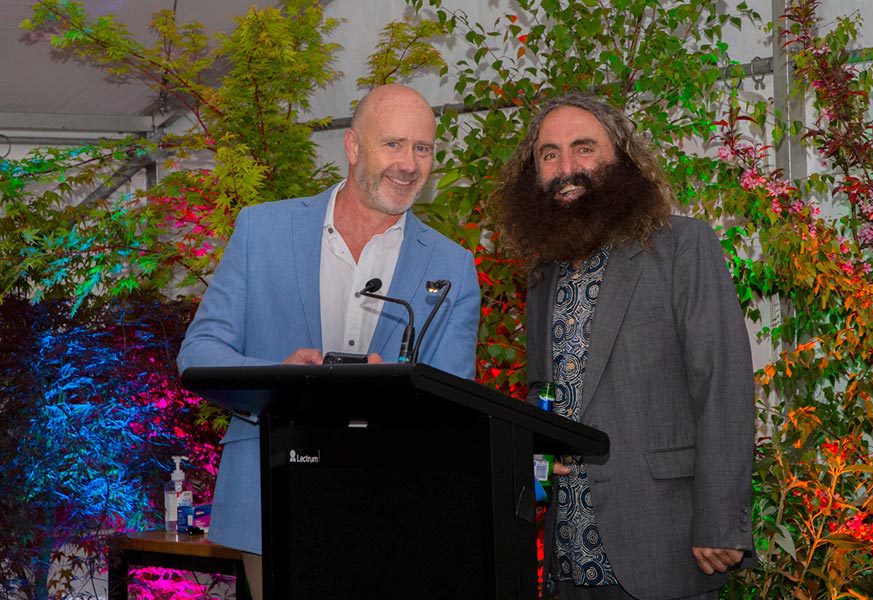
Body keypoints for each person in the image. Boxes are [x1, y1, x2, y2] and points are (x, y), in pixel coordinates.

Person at [177, 84, 480, 599]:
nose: (409, 164)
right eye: (393, 144)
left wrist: (393, 393)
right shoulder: (262, 230)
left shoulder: (452, 265)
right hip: (271, 499)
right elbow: (199, 353)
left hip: (395, 510)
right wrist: (281, 380)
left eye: (423, 148)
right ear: (353, 146)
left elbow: (454, 404)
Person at [490, 93, 755, 600]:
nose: (567, 168)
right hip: (569, 552)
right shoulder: (543, 274)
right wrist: (536, 449)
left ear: (621, 159)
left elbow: (723, 386)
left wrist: (722, 521)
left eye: (584, 148)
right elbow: (542, 394)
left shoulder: (682, 246)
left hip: (665, 545)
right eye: (549, 154)